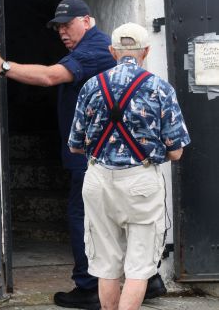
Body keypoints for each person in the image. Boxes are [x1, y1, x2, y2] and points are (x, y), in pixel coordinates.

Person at [0, 0, 166, 310]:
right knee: (127, 219)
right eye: (58, 27)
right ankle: (150, 280)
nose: (62, 31)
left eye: (68, 24)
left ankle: (89, 285)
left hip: (97, 158)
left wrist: (3, 66)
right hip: (120, 159)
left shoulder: (97, 50)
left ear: (88, 20)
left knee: (86, 218)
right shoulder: (95, 49)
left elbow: (51, 76)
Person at [68, 22, 190, 310]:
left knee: (106, 265)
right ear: (146, 51)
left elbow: (74, 145)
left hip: (98, 180)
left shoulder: (91, 86)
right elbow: (176, 153)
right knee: (138, 266)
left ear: (112, 51)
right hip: (141, 183)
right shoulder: (160, 88)